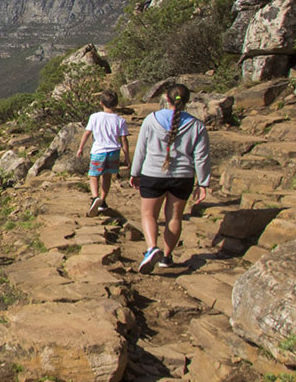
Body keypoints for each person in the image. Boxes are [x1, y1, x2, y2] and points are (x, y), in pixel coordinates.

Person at [128, 82, 211, 273]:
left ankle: (151, 248)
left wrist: (135, 172)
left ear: (167, 98)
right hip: (183, 177)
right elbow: (201, 157)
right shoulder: (196, 125)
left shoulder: (151, 120)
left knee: (149, 215)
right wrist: (203, 183)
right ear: (187, 101)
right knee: (174, 217)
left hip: (153, 174)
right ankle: (166, 257)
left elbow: (141, 149)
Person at [78, 89, 127, 216]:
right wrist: (127, 156)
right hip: (113, 152)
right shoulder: (120, 120)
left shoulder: (95, 117)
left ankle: (95, 197)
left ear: (101, 103)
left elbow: (87, 133)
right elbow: (123, 139)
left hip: (98, 151)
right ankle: (103, 201)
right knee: (107, 176)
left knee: (94, 175)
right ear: (116, 104)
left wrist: (81, 148)